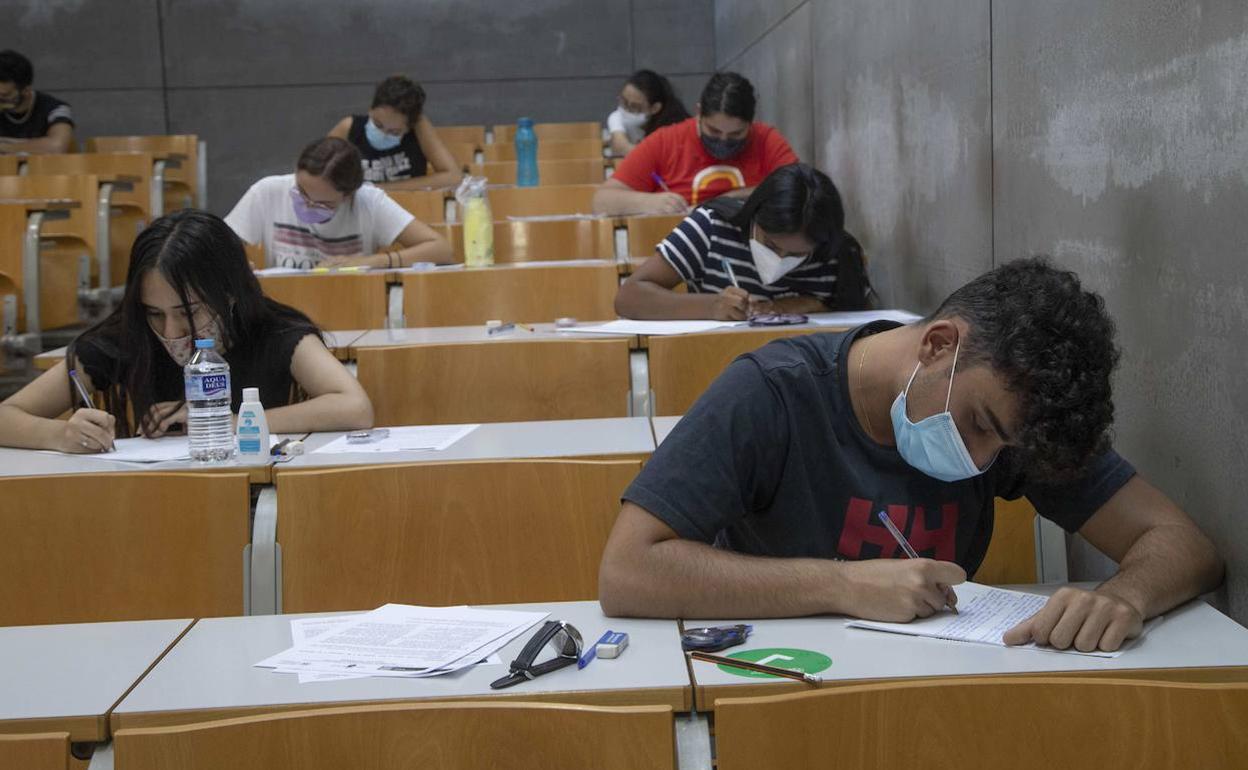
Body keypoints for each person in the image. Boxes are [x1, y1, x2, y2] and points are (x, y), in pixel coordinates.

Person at [599, 258, 1223, 653]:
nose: (983, 460)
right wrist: (841, 584)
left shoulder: (1011, 419)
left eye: (1001, 446)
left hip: (933, 705)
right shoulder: (773, 394)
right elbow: (627, 571)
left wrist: (1125, 597)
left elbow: (1181, 544)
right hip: (773, 682)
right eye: (979, 425)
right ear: (938, 345)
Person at [0, 210, 374, 452]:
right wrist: (59, 436)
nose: (172, 330)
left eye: (188, 311)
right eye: (154, 313)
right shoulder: (123, 340)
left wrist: (225, 422)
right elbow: (7, 415)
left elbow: (354, 407)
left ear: (228, 293)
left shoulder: (274, 332)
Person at [615, 163, 872, 320]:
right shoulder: (712, 227)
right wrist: (711, 306)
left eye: (795, 255)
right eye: (770, 245)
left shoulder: (835, 253)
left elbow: (861, 324)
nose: (779, 260)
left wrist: (816, 307)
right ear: (754, 215)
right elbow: (629, 298)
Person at [225, 137, 453, 269]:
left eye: (323, 203)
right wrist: (237, 269)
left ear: (349, 194)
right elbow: (213, 247)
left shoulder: (368, 201)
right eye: (301, 192)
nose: (308, 205)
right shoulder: (268, 191)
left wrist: (372, 262)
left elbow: (441, 249)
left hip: (352, 302)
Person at [593, 72, 799, 216]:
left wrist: (726, 201)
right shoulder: (666, 141)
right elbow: (602, 201)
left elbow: (800, 189)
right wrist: (648, 202)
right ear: (699, 112)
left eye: (736, 134)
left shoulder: (766, 139)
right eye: (714, 131)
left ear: (751, 123)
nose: (723, 141)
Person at [328, 74, 462, 189]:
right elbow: (317, 171)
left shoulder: (419, 127)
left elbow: (453, 177)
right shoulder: (349, 127)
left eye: (394, 132)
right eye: (377, 124)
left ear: (410, 126)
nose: (383, 133)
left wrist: (379, 190)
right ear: (370, 109)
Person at [0, 50, 74, 155]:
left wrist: (5, 146)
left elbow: (57, 147)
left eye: (4, 95)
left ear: (26, 90)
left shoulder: (55, 108)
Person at [606, 69, 690, 158]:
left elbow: (648, 158)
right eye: (624, 101)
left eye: (634, 107)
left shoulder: (672, 130)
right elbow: (619, 147)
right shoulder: (618, 117)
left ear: (655, 108)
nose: (626, 110)